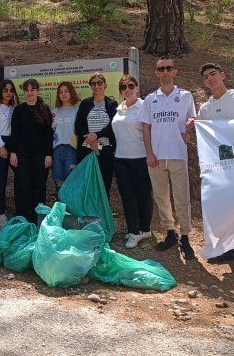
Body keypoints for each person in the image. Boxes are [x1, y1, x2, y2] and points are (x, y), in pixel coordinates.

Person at [197, 63, 234, 274]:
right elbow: (205, 137)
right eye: (206, 77)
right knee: (224, 209)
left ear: (223, 75)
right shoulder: (205, 108)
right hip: (219, 167)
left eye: (213, 74)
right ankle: (229, 250)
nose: (210, 78)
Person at [140, 58, 197, 260]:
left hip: (177, 155)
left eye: (168, 68)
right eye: (161, 69)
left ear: (175, 71)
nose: (165, 72)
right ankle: (170, 233)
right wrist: (149, 153)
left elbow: (192, 120)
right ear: (156, 73)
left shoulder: (185, 96)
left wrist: (190, 127)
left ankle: (185, 237)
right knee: (161, 198)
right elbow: (146, 128)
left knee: (182, 198)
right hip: (156, 156)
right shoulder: (150, 99)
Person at [111, 76, 154, 249]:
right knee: (127, 196)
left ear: (137, 88)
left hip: (140, 158)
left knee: (143, 194)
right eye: (123, 87)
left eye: (131, 86)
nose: (127, 89)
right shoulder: (119, 108)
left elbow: (151, 132)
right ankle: (133, 230)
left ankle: (144, 229)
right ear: (120, 91)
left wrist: (151, 154)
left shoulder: (144, 106)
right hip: (121, 159)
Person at [9, 79, 53, 223]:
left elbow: (48, 133)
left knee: (39, 186)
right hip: (22, 154)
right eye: (27, 90)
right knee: (23, 186)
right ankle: (23, 219)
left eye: (32, 90)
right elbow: (14, 132)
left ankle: (38, 220)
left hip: (40, 155)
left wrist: (49, 154)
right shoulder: (19, 110)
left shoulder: (44, 108)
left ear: (37, 91)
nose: (30, 93)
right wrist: (13, 152)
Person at [75, 73, 118, 195]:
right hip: (87, 150)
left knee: (104, 185)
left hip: (105, 151)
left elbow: (113, 126)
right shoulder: (85, 104)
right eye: (93, 83)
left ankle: (102, 213)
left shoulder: (112, 104)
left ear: (105, 85)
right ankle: (89, 213)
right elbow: (78, 126)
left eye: (99, 83)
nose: (97, 86)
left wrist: (97, 135)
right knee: (88, 185)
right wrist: (91, 139)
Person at [0, 80, 18, 228]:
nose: (8, 93)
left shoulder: (13, 108)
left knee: (21, 175)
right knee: (1, 180)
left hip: (13, 144)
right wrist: (1, 147)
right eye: (5, 90)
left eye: (11, 90)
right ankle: (0, 213)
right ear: (1, 91)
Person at [52, 81, 80, 196]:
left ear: (71, 92)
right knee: (58, 182)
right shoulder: (54, 112)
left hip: (72, 150)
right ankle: (60, 211)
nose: (63, 94)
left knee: (70, 182)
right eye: (60, 92)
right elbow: (51, 131)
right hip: (56, 151)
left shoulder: (78, 109)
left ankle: (71, 212)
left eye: (66, 91)